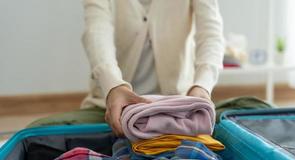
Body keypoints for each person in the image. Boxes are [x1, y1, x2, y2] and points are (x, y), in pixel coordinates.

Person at [28, 0, 224, 137]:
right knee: (37, 132)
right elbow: (96, 32)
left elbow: (211, 35)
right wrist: (114, 86)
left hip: (176, 107)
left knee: (236, 119)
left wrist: (201, 86)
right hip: (110, 108)